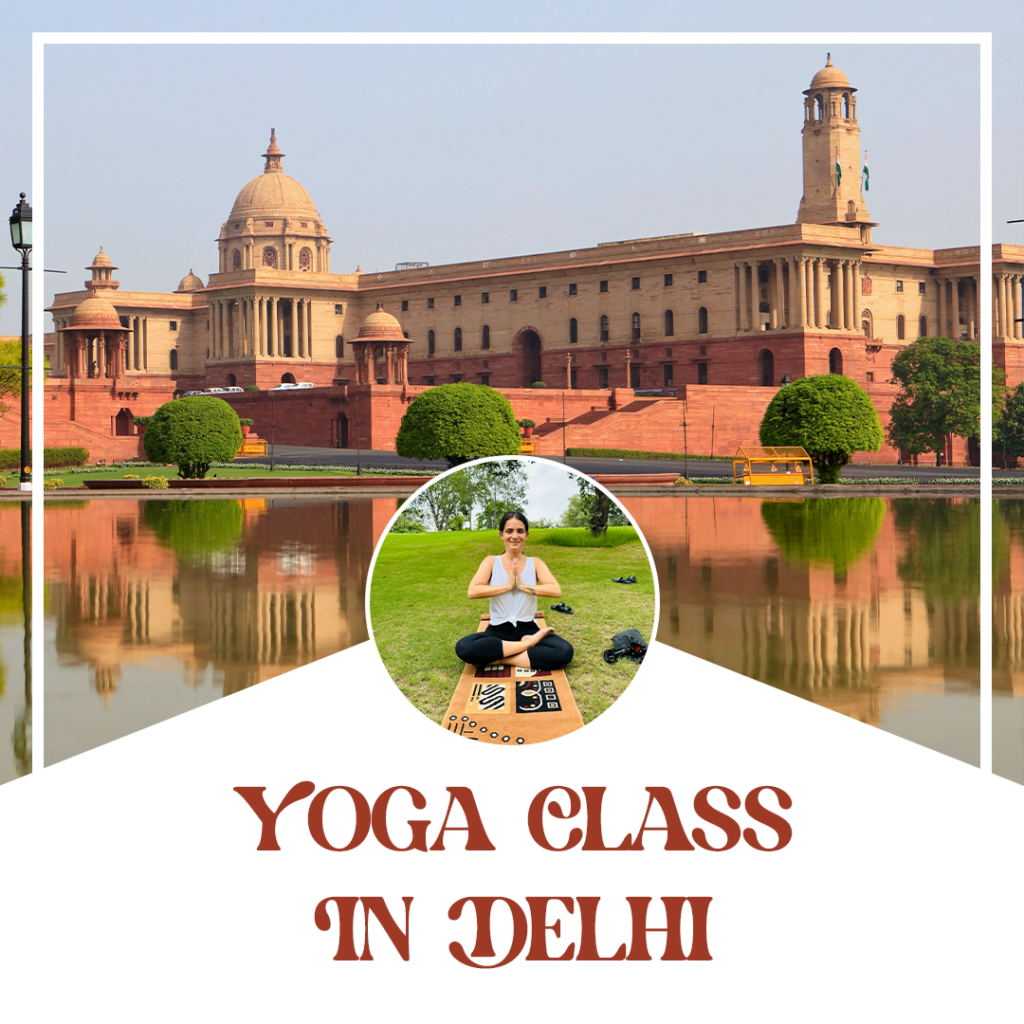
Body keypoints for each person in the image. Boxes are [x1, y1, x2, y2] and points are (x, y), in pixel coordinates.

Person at [454, 510, 574, 670]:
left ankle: (499, 659)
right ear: (501, 535)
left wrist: (520, 586)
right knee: (464, 647)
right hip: (497, 631)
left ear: (527, 535)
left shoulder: (535, 563)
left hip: (528, 629)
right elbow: (473, 591)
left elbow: (555, 590)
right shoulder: (491, 561)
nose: (514, 536)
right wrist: (507, 586)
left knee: (564, 651)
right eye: (509, 531)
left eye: (520, 531)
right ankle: (527, 646)